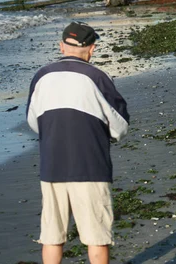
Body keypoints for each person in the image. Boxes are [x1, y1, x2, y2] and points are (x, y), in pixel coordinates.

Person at [26, 21, 130, 264]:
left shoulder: (41, 76)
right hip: (90, 166)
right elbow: (120, 126)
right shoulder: (97, 77)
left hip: (52, 166)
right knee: (97, 236)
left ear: (62, 46)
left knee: (52, 235)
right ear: (91, 49)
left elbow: (33, 122)